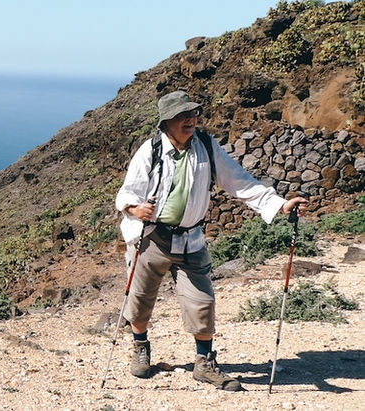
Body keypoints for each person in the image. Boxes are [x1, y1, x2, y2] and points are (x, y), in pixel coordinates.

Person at [114, 90, 308, 391]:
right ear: (167, 122)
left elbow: (238, 180)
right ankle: (140, 346)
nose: (191, 119)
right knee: (139, 300)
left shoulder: (205, 146)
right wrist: (134, 209)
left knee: (202, 301)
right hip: (151, 237)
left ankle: (204, 363)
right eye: (183, 116)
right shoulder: (150, 151)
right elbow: (127, 192)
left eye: (193, 114)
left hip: (191, 239)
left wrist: (279, 204)